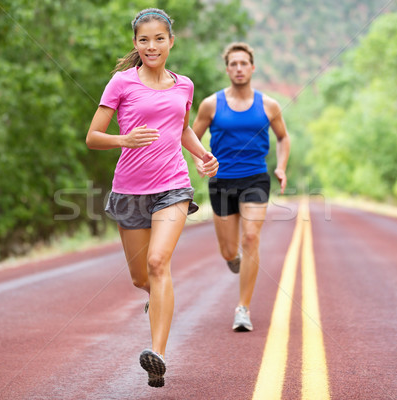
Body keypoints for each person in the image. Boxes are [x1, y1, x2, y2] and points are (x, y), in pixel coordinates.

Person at [85, 8, 218, 388]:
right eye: (144, 39)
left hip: (172, 186)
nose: (152, 45)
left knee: (159, 263)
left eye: (159, 38)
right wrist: (122, 139)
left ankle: (157, 354)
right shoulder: (121, 83)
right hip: (129, 190)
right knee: (141, 277)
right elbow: (93, 137)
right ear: (135, 44)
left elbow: (182, 130)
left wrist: (203, 155)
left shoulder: (184, 85)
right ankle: (157, 299)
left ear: (171, 41)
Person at [192, 42, 290, 332]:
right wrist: (200, 161)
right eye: (233, 64)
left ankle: (242, 308)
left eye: (243, 63)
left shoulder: (268, 105)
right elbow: (190, 137)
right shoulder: (211, 104)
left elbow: (284, 138)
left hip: (255, 178)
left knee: (250, 238)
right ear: (227, 69)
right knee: (227, 251)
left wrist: (281, 166)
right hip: (221, 180)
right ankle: (232, 258)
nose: (238, 68)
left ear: (252, 68)